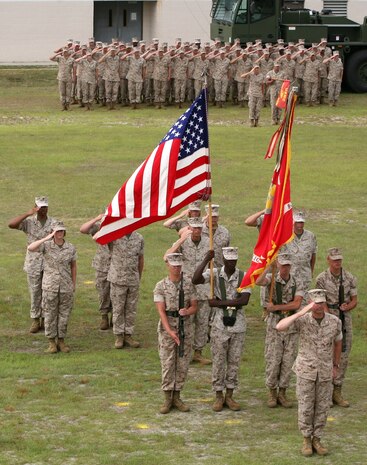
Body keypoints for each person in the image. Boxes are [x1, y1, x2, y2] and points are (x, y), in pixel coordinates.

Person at [276, 289, 342, 457]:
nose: (318, 307)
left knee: (322, 406)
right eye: (315, 303)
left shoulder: (334, 321)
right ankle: (306, 439)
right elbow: (280, 326)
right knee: (306, 405)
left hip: (325, 371)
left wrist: (335, 365)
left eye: (321, 303)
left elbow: (338, 343)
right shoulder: (303, 320)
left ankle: (317, 439)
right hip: (306, 370)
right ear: (310, 303)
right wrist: (302, 312)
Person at [192, 247, 251, 411]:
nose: (232, 263)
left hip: (238, 324)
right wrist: (205, 260)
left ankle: (230, 395)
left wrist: (218, 303)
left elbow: (244, 301)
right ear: (223, 259)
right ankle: (218, 395)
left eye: (234, 260)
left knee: (234, 361)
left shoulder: (243, 276)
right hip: (219, 325)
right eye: (228, 260)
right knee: (218, 360)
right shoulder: (215, 273)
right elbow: (195, 279)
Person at [256, 253, 304, 408]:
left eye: (287, 265)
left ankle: (283, 392)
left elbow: (296, 304)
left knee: (288, 360)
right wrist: (268, 267)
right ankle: (272, 392)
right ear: (278, 265)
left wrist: (276, 307)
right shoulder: (271, 278)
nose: (285, 268)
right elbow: (258, 281)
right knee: (273, 358)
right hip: (274, 325)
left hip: (290, 325)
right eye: (283, 265)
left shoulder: (297, 281)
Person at [153, 253, 198, 414]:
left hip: (185, 327)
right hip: (168, 327)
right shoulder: (161, 286)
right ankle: (167, 398)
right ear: (168, 266)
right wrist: (169, 331)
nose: (177, 268)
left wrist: (188, 311)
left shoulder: (188, 284)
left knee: (182, 362)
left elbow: (194, 305)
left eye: (179, 266)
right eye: (174, 266)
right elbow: (161, 311)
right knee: (167, 362)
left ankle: (177, 396)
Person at [164, 217, 211, 364]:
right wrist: (181, 240)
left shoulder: (208, 242)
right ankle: (183, 349)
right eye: (194, 228)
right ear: (189, 228)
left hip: (203, 286)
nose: (197, 231)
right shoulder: (183, 243)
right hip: (186, 287)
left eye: (199, 228)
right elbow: (166, 257)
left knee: (202, 321)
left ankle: (198, 352)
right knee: (185, 320)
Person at [8, 196, 57, 333]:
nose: (43, 210)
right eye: (40, 207)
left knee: (48, 292)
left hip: (49, 262)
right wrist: (28, 213)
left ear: (48, 207)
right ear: (35, 207)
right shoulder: (28, 222)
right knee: (35, 291)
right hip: (33, 262)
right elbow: (11, 225)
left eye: (45, 207)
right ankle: (35, 319)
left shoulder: (54, 222)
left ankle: (46, 319)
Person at [315, 247, 357, 407]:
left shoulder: (349, 278)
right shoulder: (321, 278)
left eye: (339, 260)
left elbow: (354, 299)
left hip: (344, 319)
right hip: (327, 316)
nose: (337, 263)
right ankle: (325, 393)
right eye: (334, 260)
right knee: (325, 353)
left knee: (343, 354)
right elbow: (320, 300)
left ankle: (337, 392)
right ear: (328, 260)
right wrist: (327, 318)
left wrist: (349, 306)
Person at [27, 221, 77, 354]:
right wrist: (46, 238)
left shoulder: (70, 247)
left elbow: (73, 266)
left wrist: (73, 283)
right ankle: (51, 342)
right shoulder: (46, 246)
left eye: (61, 231)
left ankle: (61, 340)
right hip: (50, 286)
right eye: (57, 231)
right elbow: (31, 248)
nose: (60, 233)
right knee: (49, 314)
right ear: (53, 232)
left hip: (65, 286)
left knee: (64, 315)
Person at [107, 232, 144, 349]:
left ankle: (128, 334)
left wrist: (139, 275)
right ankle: (119, 335)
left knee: (131, 308)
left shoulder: (139, 238)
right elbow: (98, 238)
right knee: (118, 308)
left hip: (133, 279)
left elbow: (140, 258)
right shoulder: (114, 236)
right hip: (118, 279)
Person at [79, 214, 112, 330]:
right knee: (103, 292)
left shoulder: (120, 226)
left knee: (117, 293)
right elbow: (83, 229)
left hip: (117, 265)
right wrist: (97, 218)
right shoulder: (99, 227)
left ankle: (115, 317)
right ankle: (104, 316)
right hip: (102, 265)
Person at [280, 211, 317, 301]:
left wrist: (311, 271)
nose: (300, 225)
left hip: (305, 274)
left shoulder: (311, 236)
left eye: (301, 222)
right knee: (288, 298)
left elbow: (313, 255)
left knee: (303, 300)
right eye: (297, 222)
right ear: (293, 222)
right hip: (290, 273)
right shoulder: (286, 235)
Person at [202, 204, 230, 268]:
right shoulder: (199, 231)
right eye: (211, 216)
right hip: (202, 269)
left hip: (218, 269)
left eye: (215, 217)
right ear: (206, 216)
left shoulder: (225, 232)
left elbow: (226, 250)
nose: (213, 219)